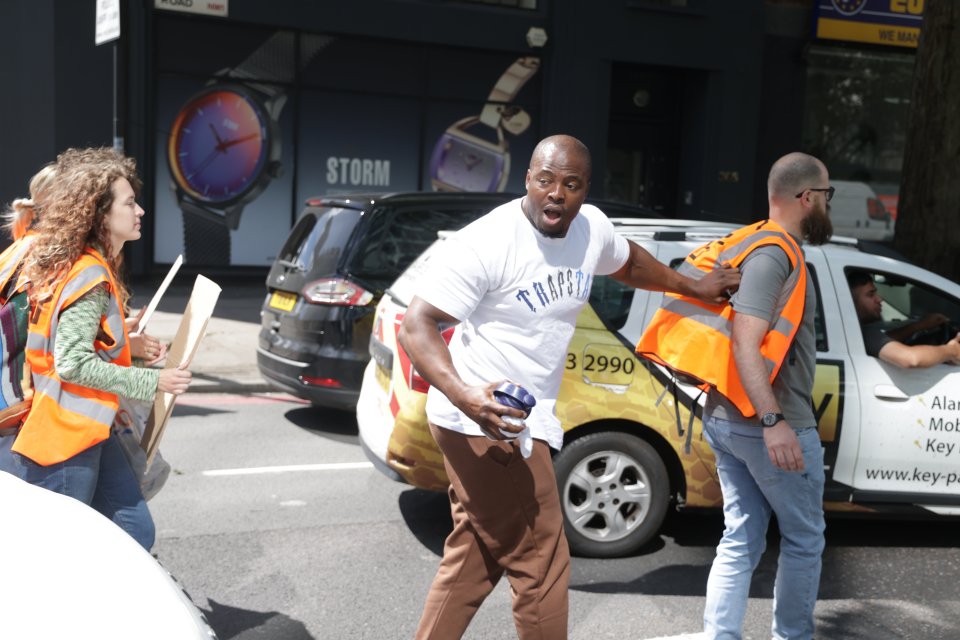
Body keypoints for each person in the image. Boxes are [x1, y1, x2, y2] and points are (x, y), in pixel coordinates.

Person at [398, 134, 740, 639]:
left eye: (571, 184)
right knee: (543, 564)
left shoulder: (591, 229)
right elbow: (416, 326)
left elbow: (628, 262)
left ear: (584, 191)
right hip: (489, 420)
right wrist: (467, 396)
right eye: (546, 180)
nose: (556, 193)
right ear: (528, 180)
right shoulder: (487, 242)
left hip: (513, 418)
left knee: (476, 553)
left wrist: (693, 286)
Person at [1, 147, 192, 551]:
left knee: (135, 532)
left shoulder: (86, 265)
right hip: (65, 435)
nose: (140, 210)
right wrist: (154, 381)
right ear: (100, 214)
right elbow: (71, 363)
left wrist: (129, 346)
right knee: (69, 552)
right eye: (129, 203)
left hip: (86, 429)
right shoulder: (89, 273)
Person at [848, 271, 960, 367]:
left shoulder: (851, 333)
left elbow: (885, 339)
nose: (879, 299)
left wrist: (919, 326)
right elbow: (911, 359)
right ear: (851, 301)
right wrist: (951, 351)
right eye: (870, 295)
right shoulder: (863, 334)